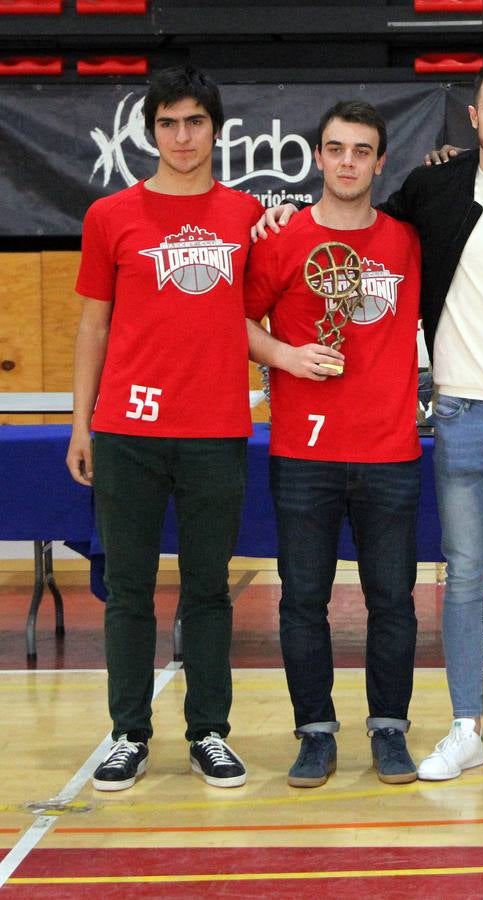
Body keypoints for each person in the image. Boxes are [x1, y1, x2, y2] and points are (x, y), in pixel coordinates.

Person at [256, 59, 483, 783]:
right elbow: (326, 244)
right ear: (470, 118)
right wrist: (272, 217)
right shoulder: (432, 190)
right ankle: (463, 727)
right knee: (464, 578)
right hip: (461, 414)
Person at [68, 66, 259, 791]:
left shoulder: (245, 216)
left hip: (214, 430)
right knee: (128, 589)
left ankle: (209, 731)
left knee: (208, 590)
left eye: (195, 122)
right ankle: (128, 733)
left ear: (217, 129)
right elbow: (92, 326)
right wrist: (80, 424)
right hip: (127, 430)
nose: (182, 137)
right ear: (150, 133)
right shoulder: (111, 216)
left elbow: (258, 319)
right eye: (169, 124)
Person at [244, 101, 423, 788]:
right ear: (317, 157)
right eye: (335, 149)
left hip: (388, 451)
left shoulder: (409, 241)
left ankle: (389, 729)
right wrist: (285, 358)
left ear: (380, 163)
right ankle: (314, 732)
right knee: (302, 600)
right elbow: (234, 322)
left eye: (361, 151)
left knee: (393, 602)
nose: (347, 162)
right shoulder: (280, 238)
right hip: (303, 452)